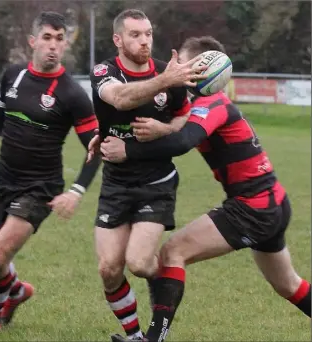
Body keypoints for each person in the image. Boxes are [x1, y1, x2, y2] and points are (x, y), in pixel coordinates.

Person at [97, 36, 311, 341]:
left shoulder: (213, 103)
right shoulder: (194, 104)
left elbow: (184, 141)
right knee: (288, 285)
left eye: (182, 62)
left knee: (173, 252)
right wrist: (103, 134)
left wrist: (128, 151)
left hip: (254, 207)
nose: (176, 68)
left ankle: (153, 338)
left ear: (201, 68)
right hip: (270, 203)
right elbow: (149, 118)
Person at [0, 11, 101, 332]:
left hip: (40, 188)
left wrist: (76, 192)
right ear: (33, 41)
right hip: (2, 180)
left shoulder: (73, 94)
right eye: (47, 38)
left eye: (59, 39)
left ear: (65, 46)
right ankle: (16, 291)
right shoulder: (13, 75)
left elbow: (95, 148)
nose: (53, 46)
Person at [88, 9, 207, 341]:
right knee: (109, 269)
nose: (144, 41)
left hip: (156, 183)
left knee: (139, 263)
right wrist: (164, 81)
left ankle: (169, 281)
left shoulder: (168, 76)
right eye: (135, 34)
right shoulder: (104, 71)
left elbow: (185, 119)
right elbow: (120, 99)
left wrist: (163, 128)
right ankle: (136, 336)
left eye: (148, 34)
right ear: (118, 39)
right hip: (116, 182)